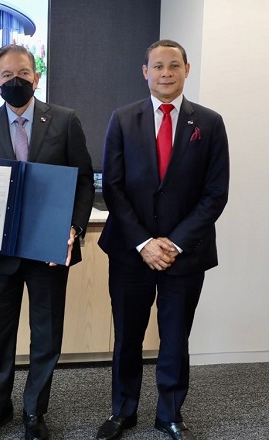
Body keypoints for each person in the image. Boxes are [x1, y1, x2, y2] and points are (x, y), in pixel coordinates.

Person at [96, 40, 229, 440]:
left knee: (175, 337)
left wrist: (172, 243)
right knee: (127, 337)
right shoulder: (122, 119)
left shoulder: (209, 122)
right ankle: (123, 411)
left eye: (174, 65)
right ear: (145, 72)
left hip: (185, 255)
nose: (166, 73)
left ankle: (169, 414)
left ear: (187, 69)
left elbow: (215, 193)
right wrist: (144, 243)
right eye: (158, 66)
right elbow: (113, 189)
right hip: (130, 252)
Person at [0, 44, 94, 440]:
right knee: (0, 335)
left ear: (36, 77)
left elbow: (84, 182)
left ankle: (34, 412)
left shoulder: (66, 121)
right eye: (7, 75)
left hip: (48, 253)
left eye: (23, 73)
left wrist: (73, 229)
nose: (16, 80)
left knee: (46, 335)